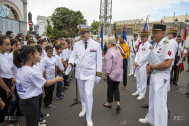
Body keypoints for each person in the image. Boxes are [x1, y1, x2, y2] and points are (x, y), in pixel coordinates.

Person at [13, 45, 63, 126]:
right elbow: (46, 83)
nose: (39, 55)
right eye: (37, 54)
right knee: (31, 122)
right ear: (31, 55)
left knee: (33, 120)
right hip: (30, 101)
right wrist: (57, 79)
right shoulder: (30, 71)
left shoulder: (22, 67)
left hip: (25, 100)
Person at [66, 24, 102, 126]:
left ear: (88, 33)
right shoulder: (77, 44)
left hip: (90, 73)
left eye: (83, 33)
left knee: (88, 94)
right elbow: (72, 56)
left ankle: (89, 117)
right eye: (80, 33)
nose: (81, 35)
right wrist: (71, 63)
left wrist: (98, 74)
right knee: (82, 93)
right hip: (80, 73)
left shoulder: (96, 45)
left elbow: (99, 61)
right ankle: (84, 108)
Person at [139, 23, 175, 126]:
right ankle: (151, 119)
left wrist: (152, 67)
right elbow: (153, 59)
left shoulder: (167, 44)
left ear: (163, 33)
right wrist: (149, 66)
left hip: (162, 76)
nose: (153, 35)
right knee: (152, 100)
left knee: (160, 103)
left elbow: (168, 63)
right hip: (154, 75)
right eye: (153, 32)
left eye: (155, 33)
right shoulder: (155, 45)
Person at [103, 37, 123, 112]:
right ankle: (118, 103)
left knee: (110, 88)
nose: (106, 44)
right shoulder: (117, 51)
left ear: (110, 44)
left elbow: (109, 65)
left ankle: (109, 102)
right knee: (116, 88)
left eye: (107, 42)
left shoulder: (109, 52)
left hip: (112, 73)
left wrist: (106, 74)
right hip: (118, 73)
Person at [132, 31, 152, 100]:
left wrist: (139, 63)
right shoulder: (141, 45)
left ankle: (142, 94)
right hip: (138, 64)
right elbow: (137, 53)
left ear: (147, 37)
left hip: (143, 65)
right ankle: (138, 91)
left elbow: (146, 56)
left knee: (143, 80)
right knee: (138, 79)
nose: (142, 38)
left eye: (143, 37)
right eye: (141, 36)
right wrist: (135, 61)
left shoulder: (149, 45)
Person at [0, 36, 13, 126]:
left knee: (6, 105)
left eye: (10, 44)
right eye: (7, 44)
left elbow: (8, 70)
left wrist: (11, 83)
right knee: (2, 106)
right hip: (2, 85)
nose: (9, 46)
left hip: (8, 82)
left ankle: (5, 123)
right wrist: (6, 89)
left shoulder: (6, 55)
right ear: (0, 46)